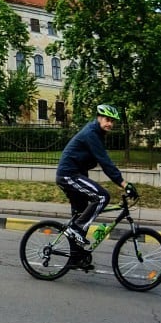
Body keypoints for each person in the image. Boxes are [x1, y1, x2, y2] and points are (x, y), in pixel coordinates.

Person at [56, 104, 134, 249]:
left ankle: (76, 257)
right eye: (107, 119)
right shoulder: (91, 133)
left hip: (75, 174)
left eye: (112, 121)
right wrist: (124, 184)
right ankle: (76, 229)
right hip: (69, 175)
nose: (110, 124)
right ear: (99, 118)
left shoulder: (96, 133)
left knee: (81, 214)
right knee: (103, 197)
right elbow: (105, 162)